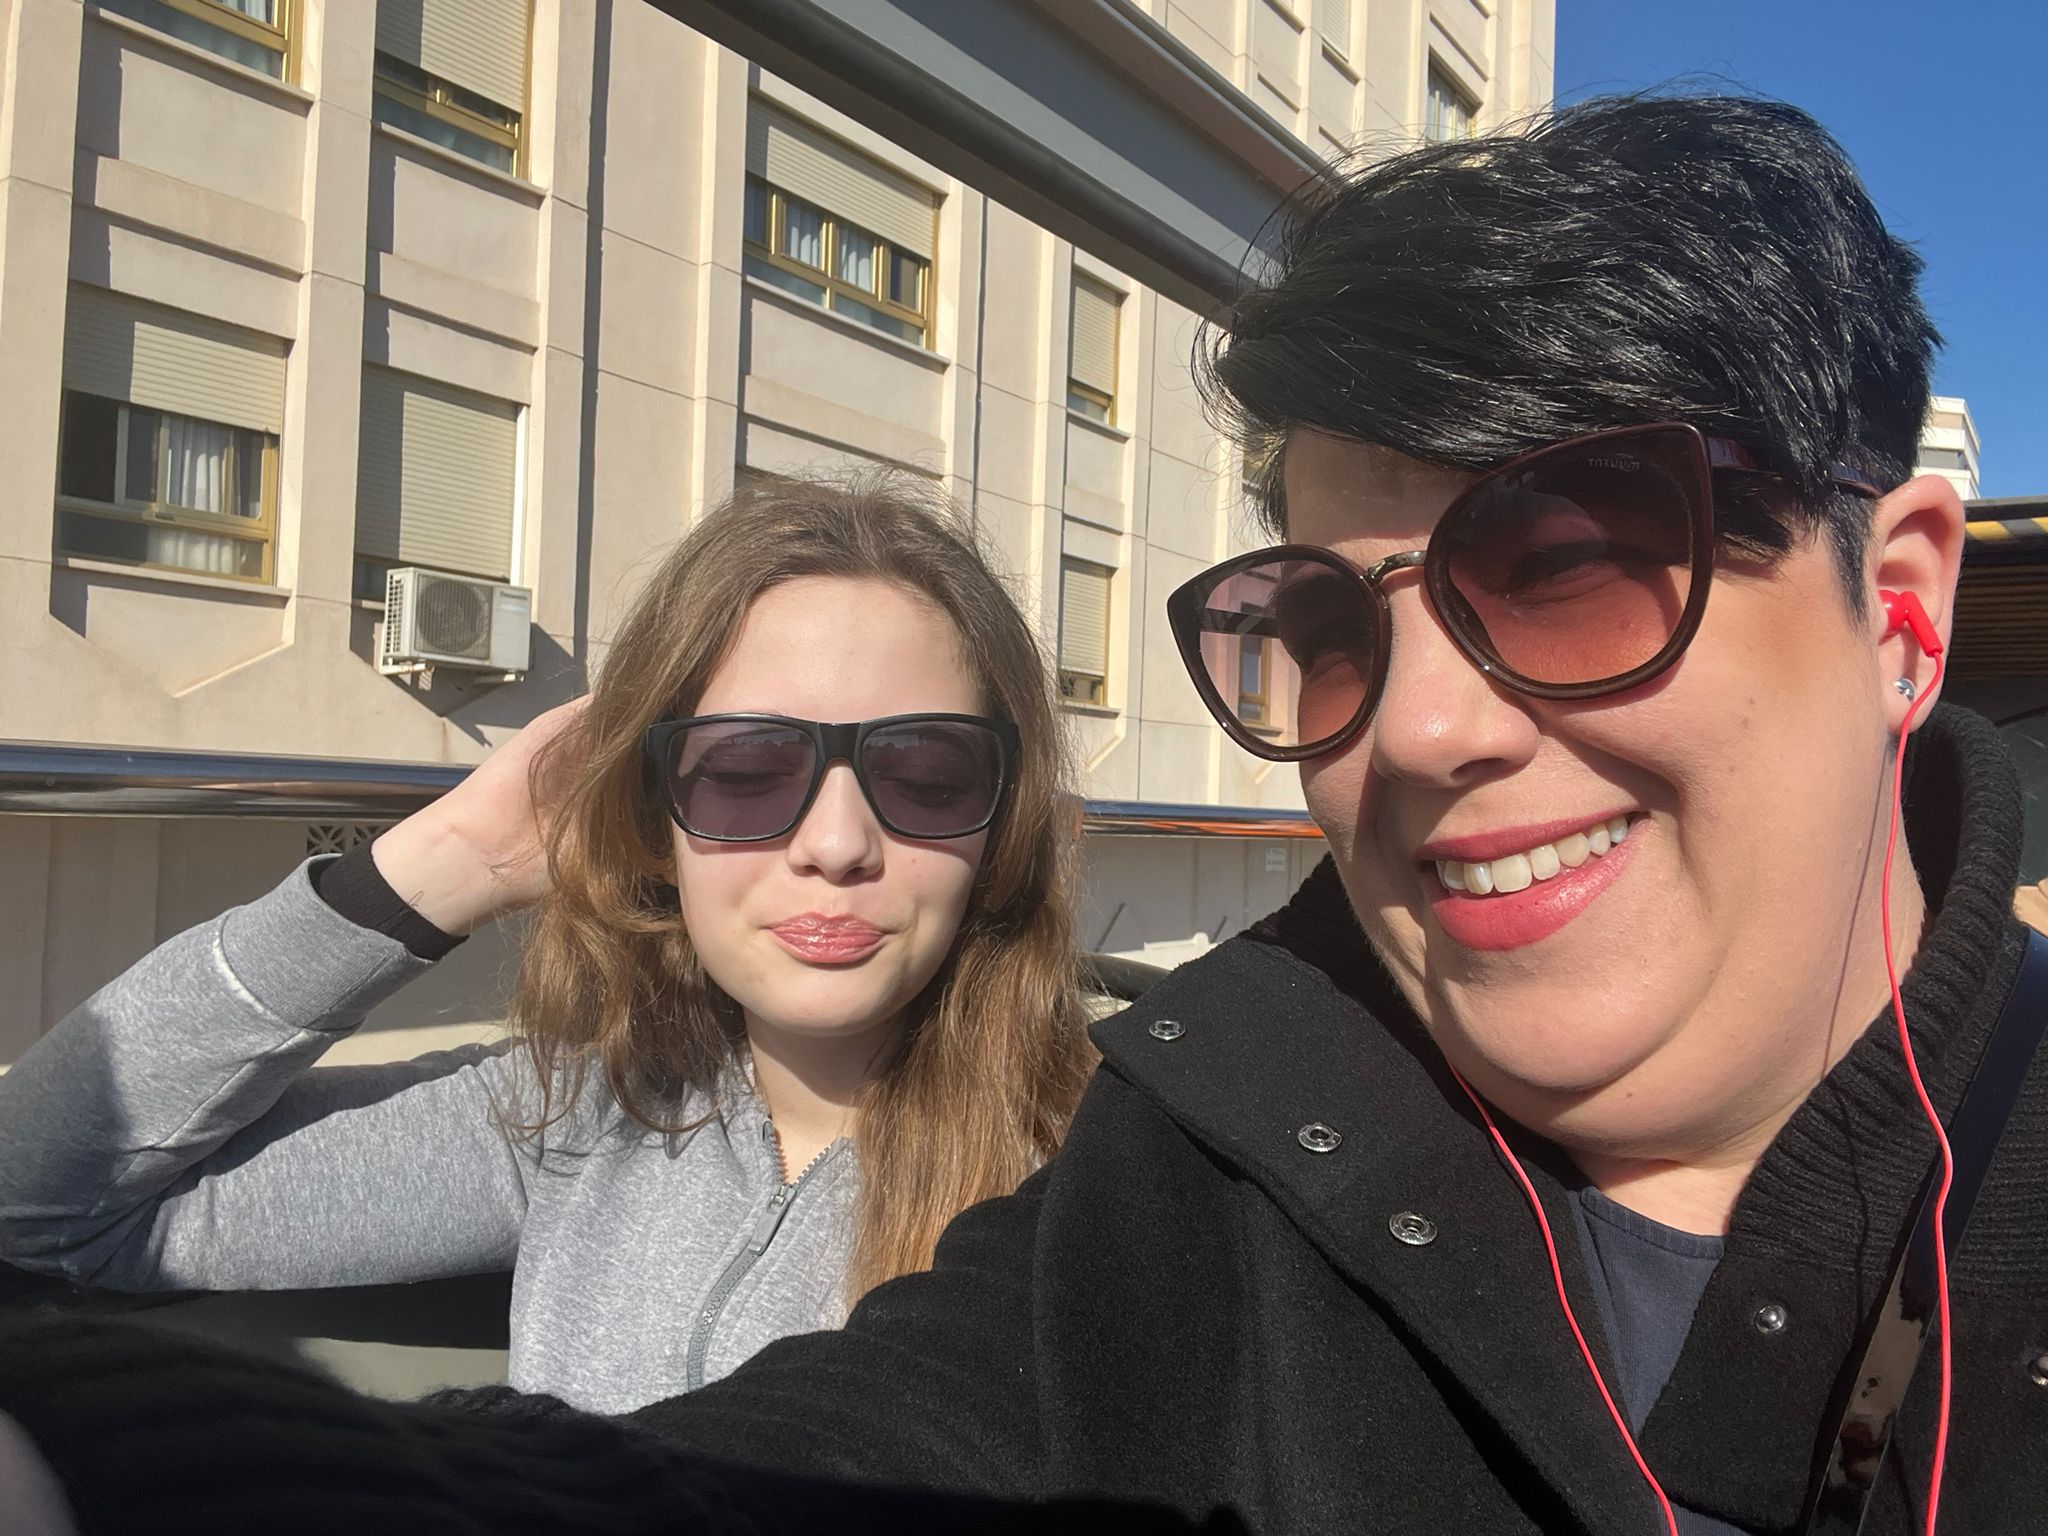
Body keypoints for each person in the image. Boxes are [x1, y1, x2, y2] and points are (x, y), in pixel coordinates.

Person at [1, 92, 2040, 1536]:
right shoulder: (626, 1120)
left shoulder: (1119, 1125)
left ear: (1898, 609)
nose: (1418, 727)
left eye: (1570, 563)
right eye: (1326, 625)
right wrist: (436, 863)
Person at [0, 475, 1093, 1412]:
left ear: (998, 828)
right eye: (747, 770)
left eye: (927, 775)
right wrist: (454, 858)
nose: (838, 843)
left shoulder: (1097, 1180)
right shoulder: (576, 1114)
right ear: (655, 813)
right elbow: (41, 1199)